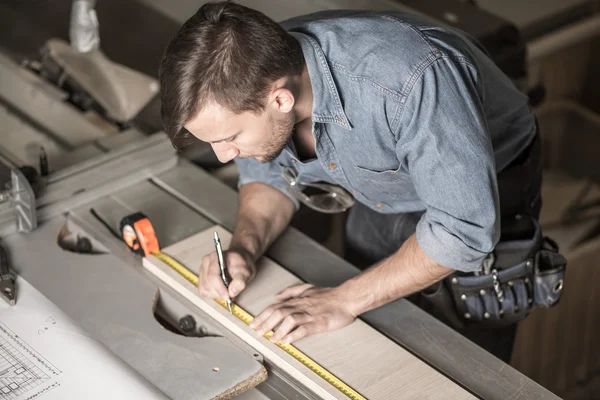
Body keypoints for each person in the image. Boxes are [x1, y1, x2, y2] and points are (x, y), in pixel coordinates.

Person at [158, 1, 544, 363]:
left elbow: (464, 231)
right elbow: (271, 173)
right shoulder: (260, 71)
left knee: (460, 359)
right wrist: (244, 247)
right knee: (375, 341)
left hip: (485, 189)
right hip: (379, 189)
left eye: (229, 139)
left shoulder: (410, 81)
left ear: (280, 101)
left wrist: (342, 301)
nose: (223, 156)